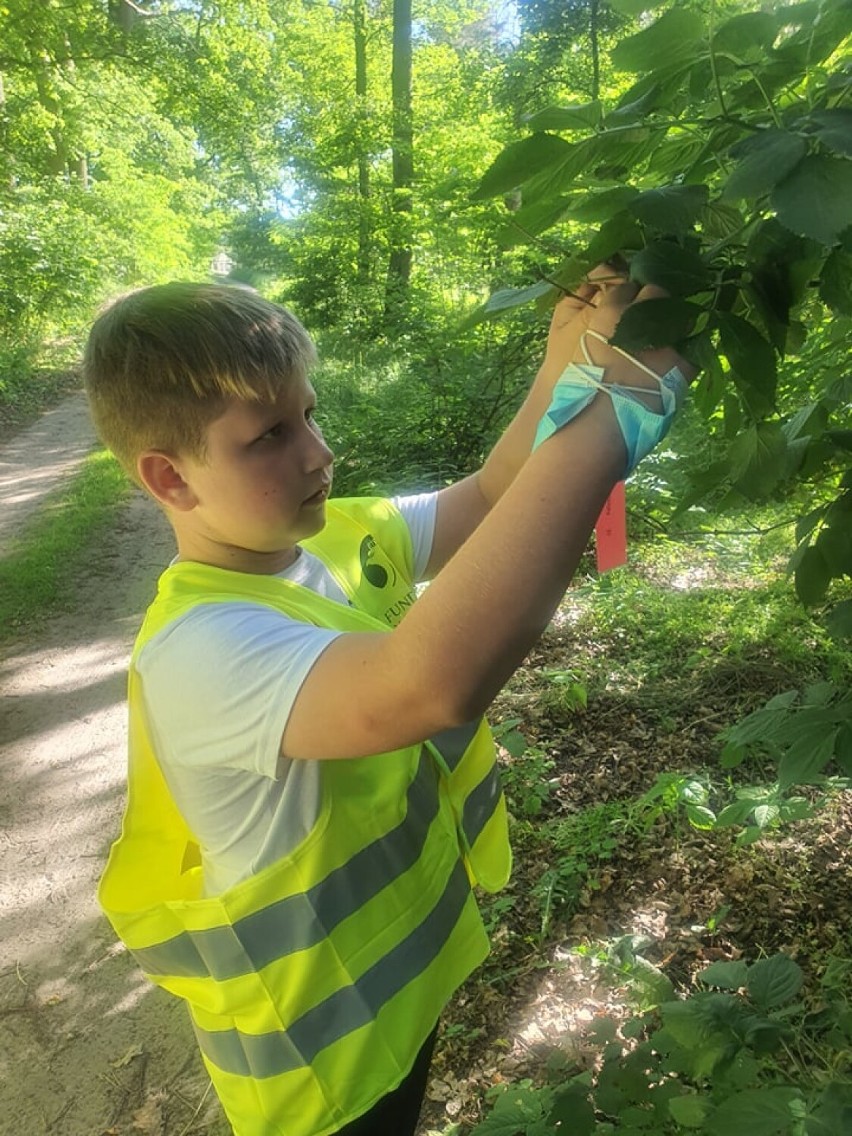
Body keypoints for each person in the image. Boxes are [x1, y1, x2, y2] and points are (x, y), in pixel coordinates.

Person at [85, 269, 695, 1136]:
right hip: (326, 1069)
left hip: (403, 998)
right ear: (171, 479)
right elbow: (427, 684)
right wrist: (614, 415)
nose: (316, 452)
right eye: (267, 437)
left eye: (308, 413)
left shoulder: (333, 533)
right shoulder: (198, 650)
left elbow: (488, 500)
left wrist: (575, 361)